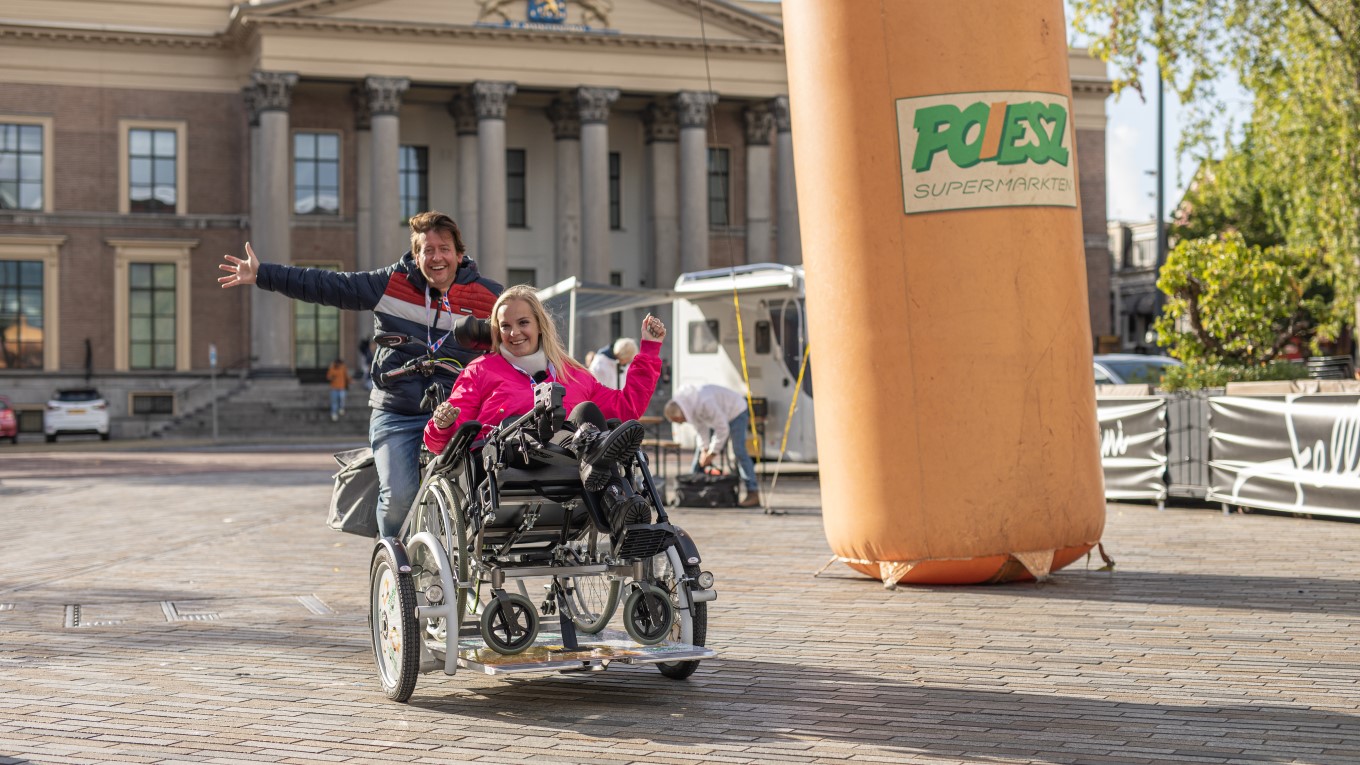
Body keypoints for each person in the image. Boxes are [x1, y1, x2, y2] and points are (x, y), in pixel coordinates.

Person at [218, 211, 503, 537]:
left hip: (457, 413)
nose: (436, 257)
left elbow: (523, 335)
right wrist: (263, 274)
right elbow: (329, 285)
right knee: (399, 499)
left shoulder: (489, 297)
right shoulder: (391, 284)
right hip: (398, 410)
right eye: (428, 249)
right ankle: (397, 572)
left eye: (444, 249)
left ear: (459, 254)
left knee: (478, 495)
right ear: (416, 255)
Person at [425, 286, 667, 495]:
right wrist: (442, 425)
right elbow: (447, 443)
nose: (514, 333)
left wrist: (649, 350)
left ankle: (619, 505)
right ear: (496, 331)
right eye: (505, 326)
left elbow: (626, 408)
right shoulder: (480, 370)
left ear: (540, 325)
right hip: (506, 460)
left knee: (586, 412)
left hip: (570, 467)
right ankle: (591, 451)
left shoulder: (572, 372)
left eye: (523, 323)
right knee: (553, 424)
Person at [664, 384, 761, 508]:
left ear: (681, 413)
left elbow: (722, 428)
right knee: (700, 453)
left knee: (739, 451)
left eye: (680, 420)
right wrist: (705, 450)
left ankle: (753, 492)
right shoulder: (690, 406)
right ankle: (690, 490)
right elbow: (701, 430)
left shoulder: (705, 402)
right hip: (723, 416)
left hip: (736, 410)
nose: (682, 423)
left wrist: (712, 453)